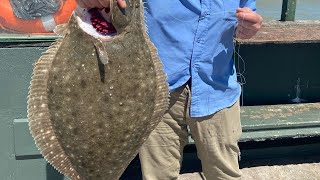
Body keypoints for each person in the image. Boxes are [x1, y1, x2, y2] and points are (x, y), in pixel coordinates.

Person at [76, 0, 262, 179]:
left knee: (224, 173)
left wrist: (249, 26)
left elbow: (245, 15)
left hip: (217, 88)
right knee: (158, 174)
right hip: (157, 90)